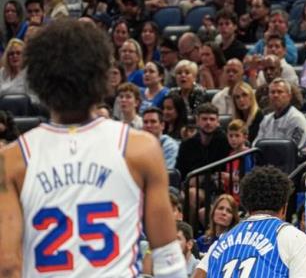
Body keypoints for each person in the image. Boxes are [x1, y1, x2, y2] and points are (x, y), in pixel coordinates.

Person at [0, 19, 187, 277]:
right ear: (101, 75)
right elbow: (168, 259)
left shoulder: (12, 159)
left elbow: (8, 265)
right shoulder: (140, 148)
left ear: (38, 79)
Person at [193, 165, 306, 278]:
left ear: (246, 206)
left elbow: (198, 275)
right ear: (284, 207)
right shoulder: (294, 237)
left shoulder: (220, 242)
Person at [253, 78, 306, 159]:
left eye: (280, 92)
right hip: (269, 161)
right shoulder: (266, 120)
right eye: (272, 92)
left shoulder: (296, 119)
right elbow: (256, 145)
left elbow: (291, 148)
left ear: (289, 96)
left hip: (295, 162)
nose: (275, 95)